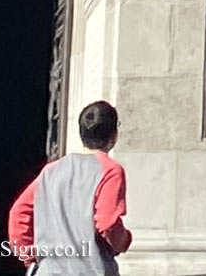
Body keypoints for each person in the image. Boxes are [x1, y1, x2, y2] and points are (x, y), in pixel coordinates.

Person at [8, 101, 131, 275]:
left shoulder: (50, 171)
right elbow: (108, 224)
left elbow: (19, 213)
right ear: (114, 134)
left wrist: (30, 258)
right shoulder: (110, 170)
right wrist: (123, 241)